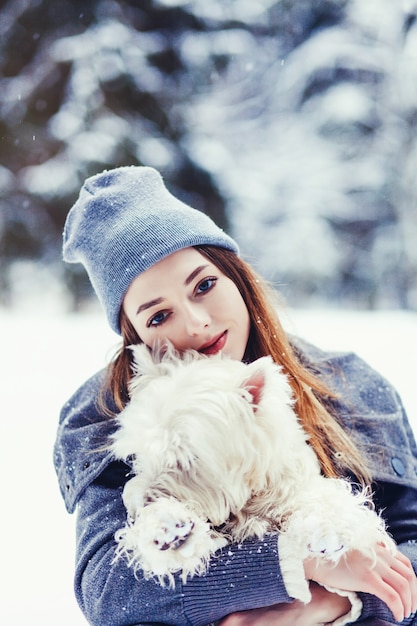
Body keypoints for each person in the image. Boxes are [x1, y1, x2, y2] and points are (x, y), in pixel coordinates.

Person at [54, 165, 417, 626]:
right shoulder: (106, 414)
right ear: (136, 336)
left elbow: (411, 540)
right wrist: (292, 562)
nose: (197, 323)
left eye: (204, 286)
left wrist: (337, 605)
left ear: (237, 276)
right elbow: (112, 591)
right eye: (159, 316)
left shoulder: (351, 386)